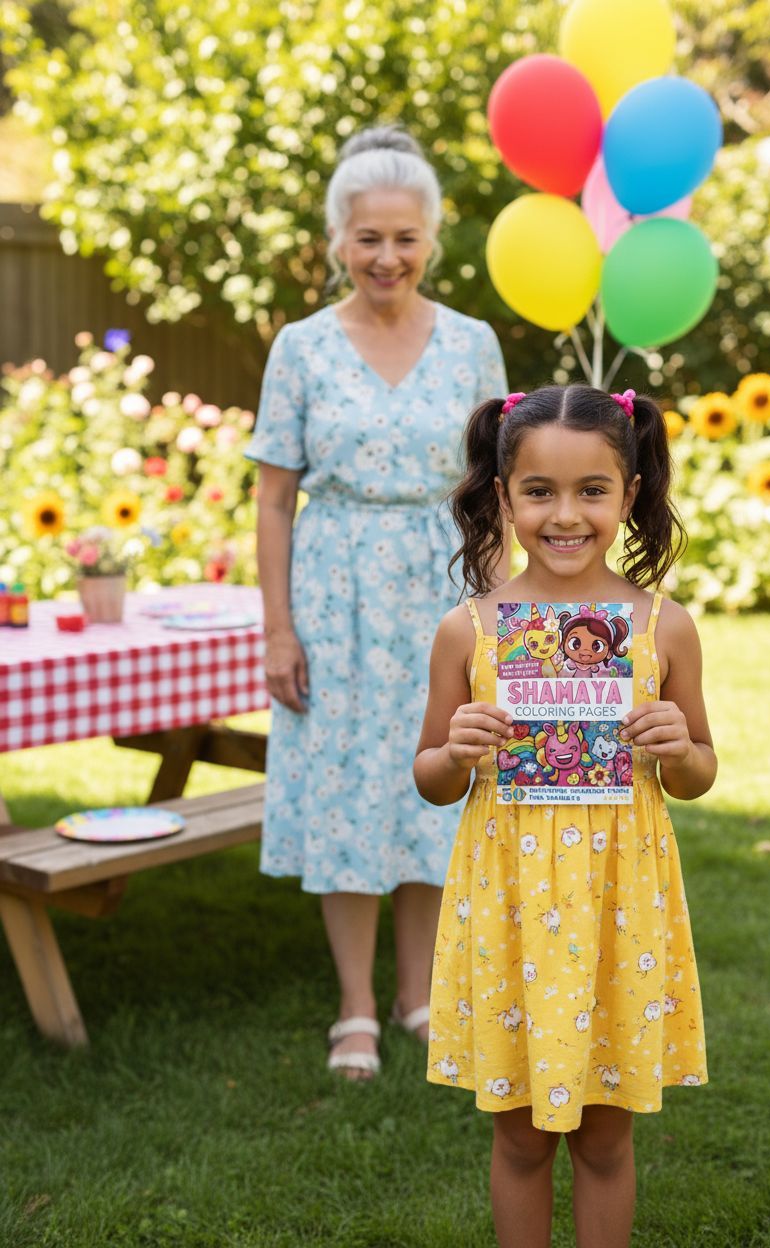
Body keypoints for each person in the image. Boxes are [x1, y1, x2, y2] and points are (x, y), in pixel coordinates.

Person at [414, 385, 717, 1248]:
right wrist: (457, 750)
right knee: (518, 1133)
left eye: (593, 489)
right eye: (539, 491)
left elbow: (699, 773)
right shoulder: (469, 630)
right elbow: (430, 778)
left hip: (620, 903)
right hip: (509, 899)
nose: (566, 514)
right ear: (502, 496)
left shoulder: (664, 626)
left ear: (630, 495)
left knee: (606, 1132)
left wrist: (678, 745)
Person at [246, 125, 508, 1080]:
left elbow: (498, 490)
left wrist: (500, 615)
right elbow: (274, 497)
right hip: (335, 591)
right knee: (347, 792)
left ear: (430, 238)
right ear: (338, 240)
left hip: (444, 590)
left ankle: (418, 996)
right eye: (368, 239)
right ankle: (354, 1007)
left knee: (434, 782)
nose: (387, 257)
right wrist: (278, 629)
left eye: (405, 238)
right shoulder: (303, 348)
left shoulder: (474, 345)